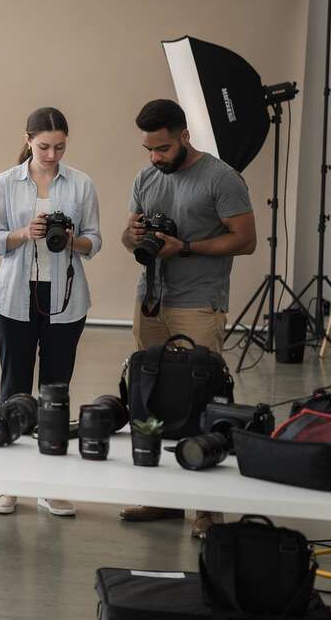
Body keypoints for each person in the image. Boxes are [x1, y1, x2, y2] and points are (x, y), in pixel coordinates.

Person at [119, 98, 256, 538]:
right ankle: (162, 499)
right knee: (151, 396)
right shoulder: (146, 176)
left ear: (184, 136)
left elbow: (246, 241)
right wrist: (133, 235)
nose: (155, 158)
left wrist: (188, 247)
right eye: (149, 149)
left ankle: (206, 510)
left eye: (162, 148)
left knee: (201, 400)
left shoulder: (222, 178)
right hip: (152, 300)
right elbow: (127, 236)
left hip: (199, 301)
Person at [0, 107, 101, 518]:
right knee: (14, 386)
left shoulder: (81, 183)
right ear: (28, 139)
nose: (52, 154)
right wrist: (22, 233)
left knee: (55, 389)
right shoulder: (4, 182)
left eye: (60, 147)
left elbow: (95, 241)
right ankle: (8, 484)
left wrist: (72, 241)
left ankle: (50, 485)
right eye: (45, 146)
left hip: (66, 297)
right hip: (15, 295)